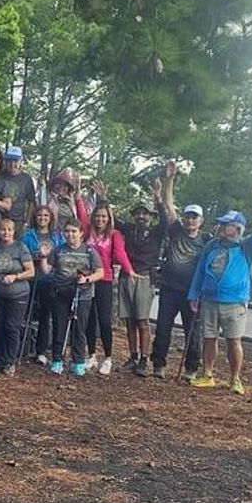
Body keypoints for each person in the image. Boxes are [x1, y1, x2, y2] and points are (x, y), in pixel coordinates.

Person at [188, 190, 252, 395]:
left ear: (237, 228)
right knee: (209, 338)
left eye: (227, 224)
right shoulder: (211, 246)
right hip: (209, 299)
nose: (222, 227)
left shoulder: (247, 247)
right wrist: (194, 294)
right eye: (222, 224)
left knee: (234, 340)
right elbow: (200, 271)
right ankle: (207, 374)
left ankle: (235, 379)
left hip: (235, 302)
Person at [149, 162, 209, 380]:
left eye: (194, 217)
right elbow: (168, 203)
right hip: (169, 288)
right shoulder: (176, 231)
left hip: (192, 293)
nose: (190, 220)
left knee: (192, 331)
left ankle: (191, 368)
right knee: (163, 327)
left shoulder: (206, 241)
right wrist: (170, 179)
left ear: (201, 221)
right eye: (188, 216)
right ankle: (159, 364)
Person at [38, 221, 104, 376]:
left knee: (79, 329)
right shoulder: (58, 250)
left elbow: (100, 272)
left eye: (74, 231)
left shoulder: (89, 251)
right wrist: (43, 256)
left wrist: (87, 279)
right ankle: (57, 360)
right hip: (60, 294)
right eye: (67, 231)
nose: (70, 234)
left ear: (81, 233)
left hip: (82, 295)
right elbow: (46, 270)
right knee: (59, 327)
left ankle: (78, 361)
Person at [81, 188, 136, 375]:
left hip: (104, 279)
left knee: (104, 320)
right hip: (87, 279)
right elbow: (81, 214)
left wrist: (129, 270)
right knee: (89, 319)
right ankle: (91, 355)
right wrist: (78, 196)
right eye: (97, 216)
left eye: (104, 216)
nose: (100, 219)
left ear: (109, 218)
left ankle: (108, 357)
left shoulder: (115, 235)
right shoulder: (87, 232)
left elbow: (120, 254)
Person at [116, 195, 165, 376]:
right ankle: (133, 356)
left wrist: (159, 200)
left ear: (151, 216)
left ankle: (144, 359)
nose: (141, 217)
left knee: (142, 320)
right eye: (138, 213)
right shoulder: (130, 230)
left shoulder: (156, 232)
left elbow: (166, 222)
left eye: (145, 213)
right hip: (126, 276)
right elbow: (113, 220)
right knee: (129, 320)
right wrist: (103, 199)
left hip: (144, 277)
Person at [0, 219, 35, 375]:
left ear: (14, 231)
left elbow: (31, 271)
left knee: (11, 327)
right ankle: (1, 357)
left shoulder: (20, 247)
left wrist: (16, 276)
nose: (5, 232)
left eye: (9, 229)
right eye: (2, 229)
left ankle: (10, 361)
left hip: (18, 294)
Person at [21, 204, 64, 364]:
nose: (42, 218)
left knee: (45, 316)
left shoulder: (57, 237)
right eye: (40, 215)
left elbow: (63, 254)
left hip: (50, 280)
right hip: (31, 279)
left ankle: (41, 351)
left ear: (50, 218)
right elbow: (21, 254)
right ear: (35, 217)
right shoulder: (27, 235)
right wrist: (36, 256)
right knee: (25, 313)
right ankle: (22, 348)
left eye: (46, 215)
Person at [0, 146, 35, 234]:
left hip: (19, 222)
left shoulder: (26, 178)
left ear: (20, 161)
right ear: (5, 161)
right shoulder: (0, 176)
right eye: (9, 161)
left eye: (15, 161)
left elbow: (31, 201)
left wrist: (27, 222)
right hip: (0, 219)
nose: (12, 164)